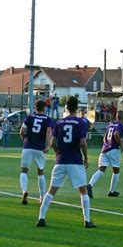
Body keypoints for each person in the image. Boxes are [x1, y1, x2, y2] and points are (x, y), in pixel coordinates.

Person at [37, 96, 95, 229]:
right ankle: (87, 220)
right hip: (75, 160)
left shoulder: (58, 123)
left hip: (61, 160)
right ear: (77, 108)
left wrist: (58, 153)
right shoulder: (81, 123)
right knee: (83, 190)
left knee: (51, 191)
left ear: (66, 108)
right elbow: (83, 143)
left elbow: (52, 143)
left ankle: (41, 217)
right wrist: (86, 158)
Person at [19, 100, 52, 205]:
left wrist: (24, 140)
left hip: (28, 146)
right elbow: (48, 131)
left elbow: (22, 131)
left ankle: (24, 191)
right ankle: (42, 197)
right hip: (40, 148)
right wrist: (48, 145)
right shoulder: (48, 119)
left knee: (24, 171)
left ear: (35, 108)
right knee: (40, 171)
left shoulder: (30, 118)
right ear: (44, 108)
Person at [87, 111, 123, 198]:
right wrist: (122, 145)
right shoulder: (121, 125)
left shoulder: (110, 125)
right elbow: (116, 134)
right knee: (116, 171)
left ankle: (90, 185)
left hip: (104, 149)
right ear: (122, 118)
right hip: (113, 149)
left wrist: (105, 145)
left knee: (101, 170)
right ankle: (112, 191)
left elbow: (105, 137)